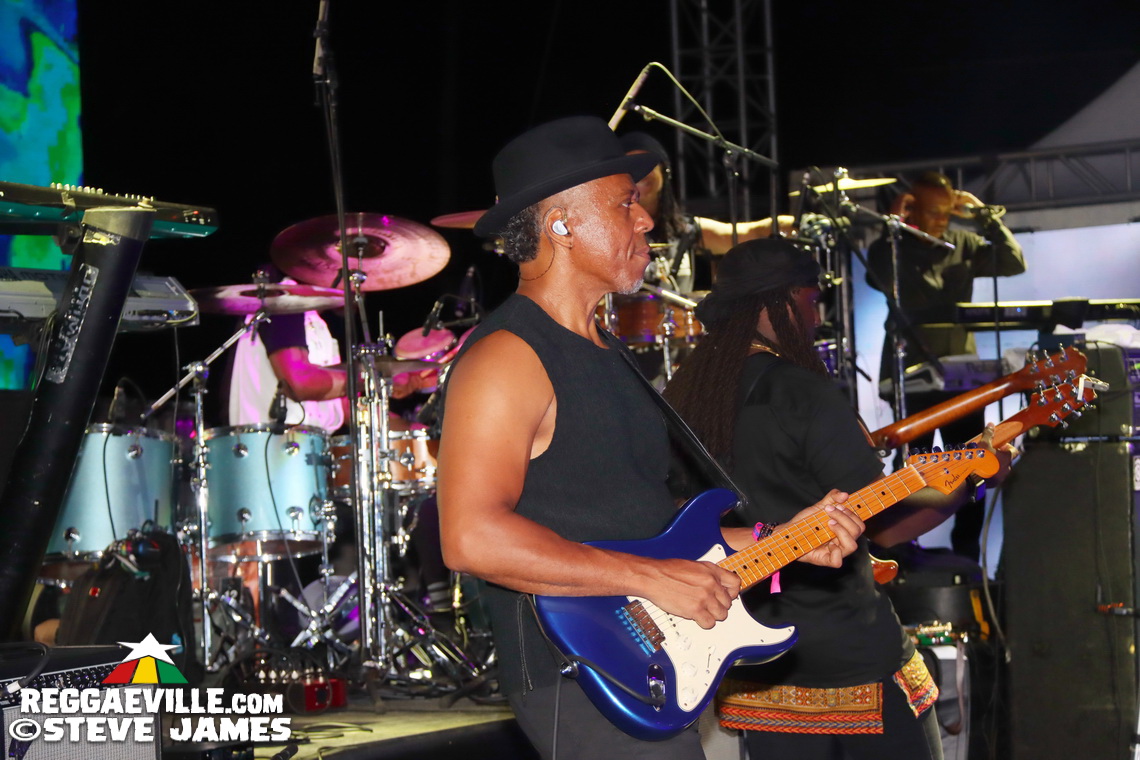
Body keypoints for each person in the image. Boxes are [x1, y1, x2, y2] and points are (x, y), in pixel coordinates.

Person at [436, 116, 866, 760]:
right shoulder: (507, 356)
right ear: (562, 223)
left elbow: (643, 528)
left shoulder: (605, 351)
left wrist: (787, 540)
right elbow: (470, 537)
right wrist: (654, 579)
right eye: (625, 202)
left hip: (645, 657)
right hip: (578, 665)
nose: (646, 221)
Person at [664, 238, 1014, 759]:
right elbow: (886, 526)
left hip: (749, 661)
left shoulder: (681, 396)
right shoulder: (800, 391)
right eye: (811, 299)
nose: (816, 314)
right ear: (778, 303)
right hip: (848, 655)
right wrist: (974, 481)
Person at [866, 171, 1026, 560]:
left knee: (973, 461)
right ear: (913, 208)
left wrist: (983, 215)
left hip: (957, 373)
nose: (940, 219)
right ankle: (902, 551)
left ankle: (967, 553)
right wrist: (894, 221)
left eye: (945, 211)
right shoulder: (895, 245)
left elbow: (1012, 262)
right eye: (932, 211)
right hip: (911, 372)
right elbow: (877, 274)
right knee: (913, 467)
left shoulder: (963, 242)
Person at [619, 131, 794, 292]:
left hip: (676, 324)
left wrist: (796, 223)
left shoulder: (685, 230)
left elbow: (747, 233)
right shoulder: (607, 231)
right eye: (630, 165)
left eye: (647, 163)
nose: (640, 172)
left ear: (664, 173)